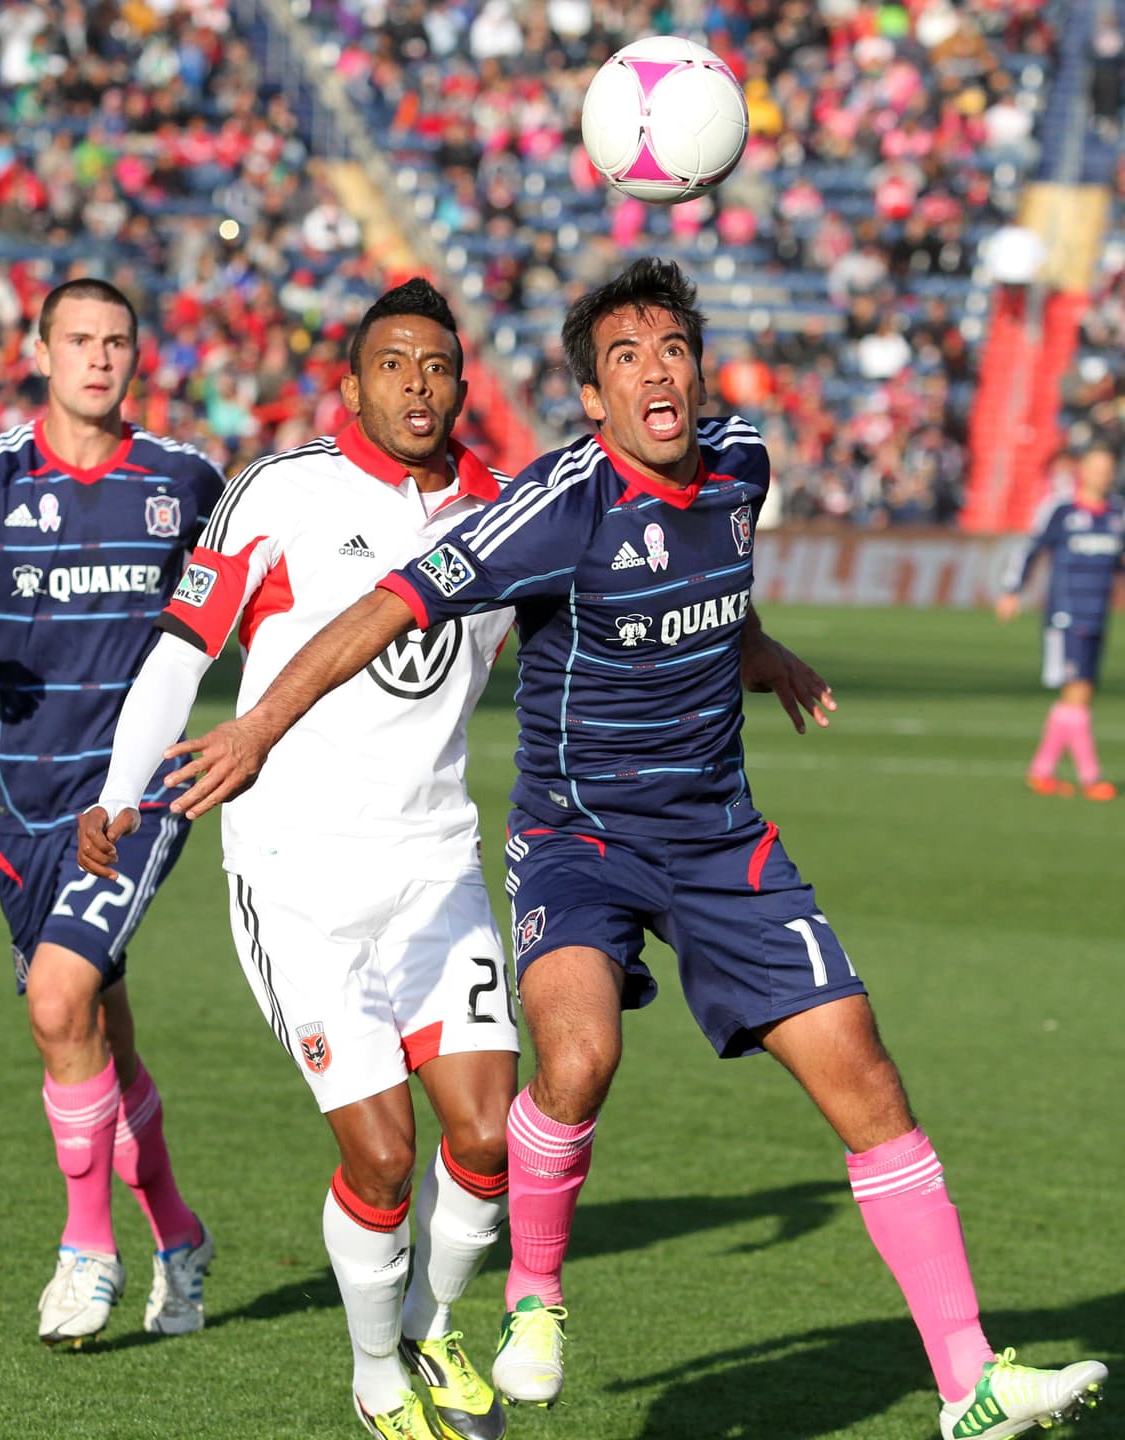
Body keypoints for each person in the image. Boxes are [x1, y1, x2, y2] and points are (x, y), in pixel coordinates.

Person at [153, 259, 1109, 1440]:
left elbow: (724, 574)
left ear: (698, 371)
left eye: (670, 350)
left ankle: (967, 1382)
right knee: (578, 1056)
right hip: (577, 838)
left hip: (717, 834)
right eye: (623, 358)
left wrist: (760, 651)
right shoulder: (555, 504)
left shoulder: (742, 462)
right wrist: (254, 725)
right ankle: (536, 1300)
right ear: (591, 401)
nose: (654, 372)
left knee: (861, 1069)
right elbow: (388, 608)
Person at [78, 279, 520, 1440]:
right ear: (353, 381)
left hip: (435, 864)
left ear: (461, 384)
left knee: (484, 1138)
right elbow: (184, 649)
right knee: (380, 1158)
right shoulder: (278, 492)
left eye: (435, 367)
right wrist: (122, 793)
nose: (416, 386)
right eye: (393, 365)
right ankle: (378, 1378)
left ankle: (428, 1327)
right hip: (295, 873)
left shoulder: (501, 507)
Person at [0, 278, 225, 1347]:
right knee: (94, 1030)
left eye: (117, 341)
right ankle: (179, 1235)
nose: (99, 359)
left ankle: (86, 1249)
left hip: (133, 795)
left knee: (60, 1002)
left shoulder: (185, 481)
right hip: (18, 803)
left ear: (135, 356)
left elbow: (266, 589)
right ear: (40, 350)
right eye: (80, 340)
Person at [996, 436, 1123, 800]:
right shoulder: (1063, 512)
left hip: (1098, 616)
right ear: (1082, 471)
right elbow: (1031, 549)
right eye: (1096, 468)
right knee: (1078, 693)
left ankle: (1042, 771)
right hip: (1066, 617)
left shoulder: (1116, 516)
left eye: (1108, 469)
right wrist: (1012, 590)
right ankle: (1090, 776)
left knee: (1080, 695)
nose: (1102, 475)